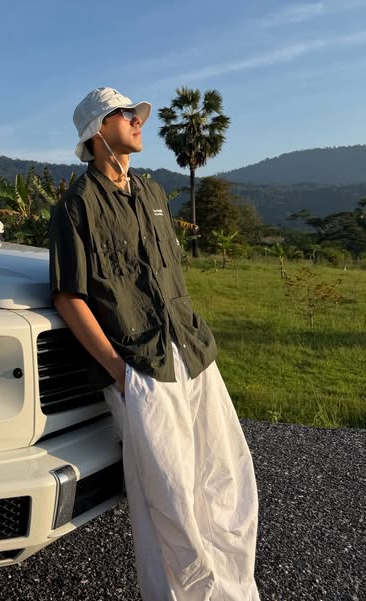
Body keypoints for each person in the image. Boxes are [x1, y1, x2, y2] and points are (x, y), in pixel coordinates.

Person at [49, 87, 261, 601]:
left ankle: (236, 592)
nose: (136, 119)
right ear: (98, 130)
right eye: (123, 113)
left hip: (192, 351)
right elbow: (69, 297)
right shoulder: (77, 206)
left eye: (134, 112)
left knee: (226, 482)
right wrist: (120, 373)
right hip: (142, 367)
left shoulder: (153, 194)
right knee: (170, 503)